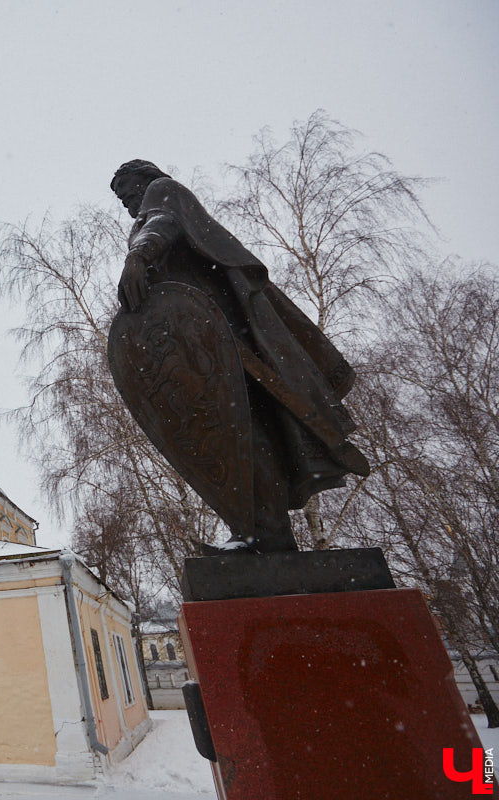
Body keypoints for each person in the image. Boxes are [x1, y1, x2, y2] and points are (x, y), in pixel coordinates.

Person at [109, 160, 368, 552]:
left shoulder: (162, 191)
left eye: (129, 192)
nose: (127, 202)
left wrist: (140, 256)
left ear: (145, 181)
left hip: (223, 343)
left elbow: (163, 222)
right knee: (246, 435)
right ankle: (263, 535)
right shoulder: (146, 217)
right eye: (122, 198)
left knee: (243, 432)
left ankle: (263, 535)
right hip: (213, 349)